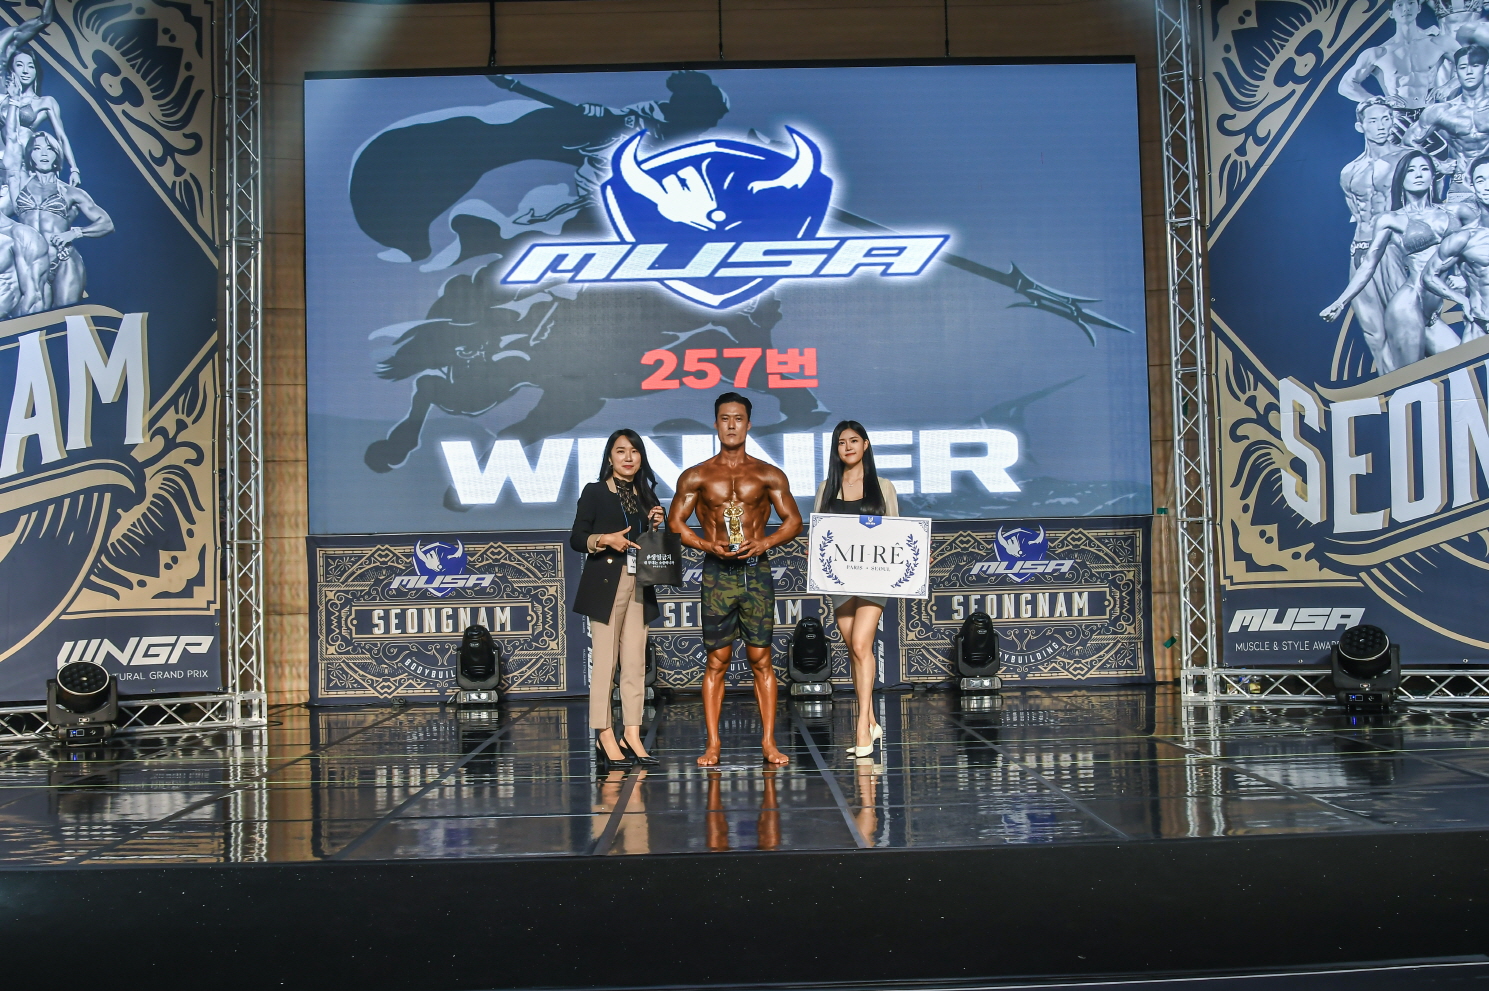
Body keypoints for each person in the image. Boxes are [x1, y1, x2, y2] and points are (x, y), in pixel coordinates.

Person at [667, 391, 803, 766]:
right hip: (717, 572)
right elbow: (674, 523)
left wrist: (765, 542)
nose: (731, 425)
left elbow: (794, 521)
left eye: (738, 418)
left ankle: (769, 742)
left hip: (755, 571)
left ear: (748, 424)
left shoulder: (768, 474)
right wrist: (704, 544)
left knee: (761, 659)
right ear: (715, 424)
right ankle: (713, 744)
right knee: (717, 660)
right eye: (725, 418)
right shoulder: (696, 475)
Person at [570, 429, 666, 772]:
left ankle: (632, 734)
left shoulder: (646, 494)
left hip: (640, 583)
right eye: (621, 451)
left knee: (636, 663)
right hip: (606, 584)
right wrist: (605, 539)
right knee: (606, 662)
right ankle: (605, 733)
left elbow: (648, 546)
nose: (628, 457)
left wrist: (655, 525)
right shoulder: (595, 492)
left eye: (634, 451)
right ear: (610, 457)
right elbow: (577, 538)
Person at [1322, 150, 1466, 370]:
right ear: (1401, 178)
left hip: (1432, 315)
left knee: (1464, 365)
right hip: (1407, 307)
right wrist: (1340, 302)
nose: (1418, 174)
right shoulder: (1391, 219)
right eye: (1411, 170)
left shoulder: (1451, 212)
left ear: (1432, 175)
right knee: (1412, 380)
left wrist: (1462, 278)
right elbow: (1368, 265)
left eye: (1424, 169)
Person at [814, 420, 900, 758]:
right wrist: (813, 551)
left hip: (875, 577)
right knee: (854, 648)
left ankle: (862, 724)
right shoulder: (827, 488)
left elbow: (898, 533)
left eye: (853, 440)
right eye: (841, 442)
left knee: (862, 643)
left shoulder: (883, 487)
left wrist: (916, 554)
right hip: (841, 579)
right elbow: (820, 533)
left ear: (865, 445)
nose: (847, 447)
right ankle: (873, 721)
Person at [10, 132, 111, 308]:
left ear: (57, 154)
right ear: (30, 154)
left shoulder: (71, 192)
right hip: (30, 265)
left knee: (65, 317)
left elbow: (106, 223)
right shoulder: (18, 186)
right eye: (37, 149)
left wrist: (75, 233)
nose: (43, 153)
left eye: (49, 149)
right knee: (32, 320)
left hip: (63, 261)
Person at [1405, 45, 1489, 199]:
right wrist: (1438, 164)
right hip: (1462, 186)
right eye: (1463, 67)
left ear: (1486, 68)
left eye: (1475, 66)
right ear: (1456, 71)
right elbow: (1408, 141)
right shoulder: (1443, 111)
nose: (1469, 72)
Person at [1424, 151, 1489, 344]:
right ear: (1472, 186)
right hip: (1480, 326)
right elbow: (1429, 276)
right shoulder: (1465, 237)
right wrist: (1462, 300)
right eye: (1481, 180)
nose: (1488, 186)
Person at [1, 51, 79, 185]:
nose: (25, 71)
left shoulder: (45, 102)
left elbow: (61, 137)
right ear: (11, 70)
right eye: (19, 65)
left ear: (36, 70)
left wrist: (74, 169)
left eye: (30, 66)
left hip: (24, 166)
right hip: (3, 161)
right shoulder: (2, 99)